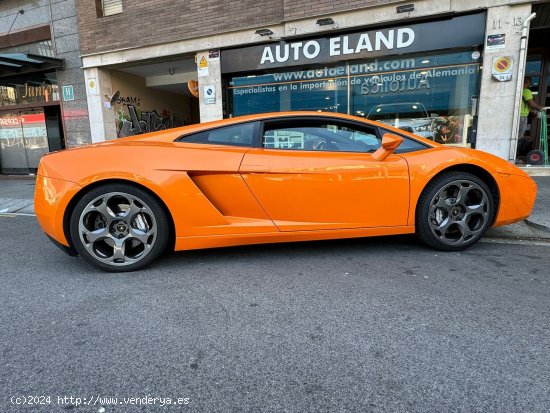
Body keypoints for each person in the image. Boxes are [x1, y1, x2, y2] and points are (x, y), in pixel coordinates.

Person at [518, 77, 544, 154]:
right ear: (528, 83)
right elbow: (531, 103)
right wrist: (540, 108)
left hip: (516, 115)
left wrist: (531, 110)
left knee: (516, 136)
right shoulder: (526, 91)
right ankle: (515, 155)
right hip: (522, 116)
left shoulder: (518, 91)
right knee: (519, 137)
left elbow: (524, 105)